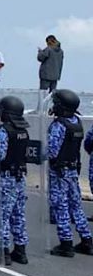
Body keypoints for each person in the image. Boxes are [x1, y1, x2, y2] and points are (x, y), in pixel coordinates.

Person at [47, 89, 93, 257]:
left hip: (59, 172)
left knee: (60, 207)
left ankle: (65, 243)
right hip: (73, 170)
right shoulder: (77, 122)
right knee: (76, 206)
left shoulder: (59, 125)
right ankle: (87, 240)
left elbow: (52, 151)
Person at [0, 96, 31, 267]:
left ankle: (3, 252)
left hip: (7, 177)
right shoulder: (24, 131)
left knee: (2, 215)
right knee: (19, 215)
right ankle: (20, 250)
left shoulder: (4, 131)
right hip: (20, 177)